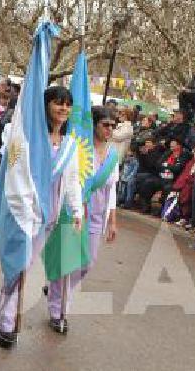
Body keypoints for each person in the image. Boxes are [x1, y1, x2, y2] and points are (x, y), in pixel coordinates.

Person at [0, 85, 83, 348]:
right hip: (25, 214)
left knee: (22, 268)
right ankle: (6, 323)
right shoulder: (31, 138)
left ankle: (1, 316)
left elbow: (73, 180)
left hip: (49, 218)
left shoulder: (70, 144)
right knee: (19, 266)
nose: (63, 108)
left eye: (67, 104)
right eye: (58, 103)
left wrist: (76, 210)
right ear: (46, 106)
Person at [44, 108, 131, 332]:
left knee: (86, 264)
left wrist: (112, 221)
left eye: (113, 125)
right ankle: (58, 310)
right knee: (68, 261)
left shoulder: (113, 156)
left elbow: (111, 190)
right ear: (94, 125)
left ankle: (57, 288)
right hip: (75, 213)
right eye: (106, 125)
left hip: (96, 217)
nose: (110, 130)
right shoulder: (81, 150)